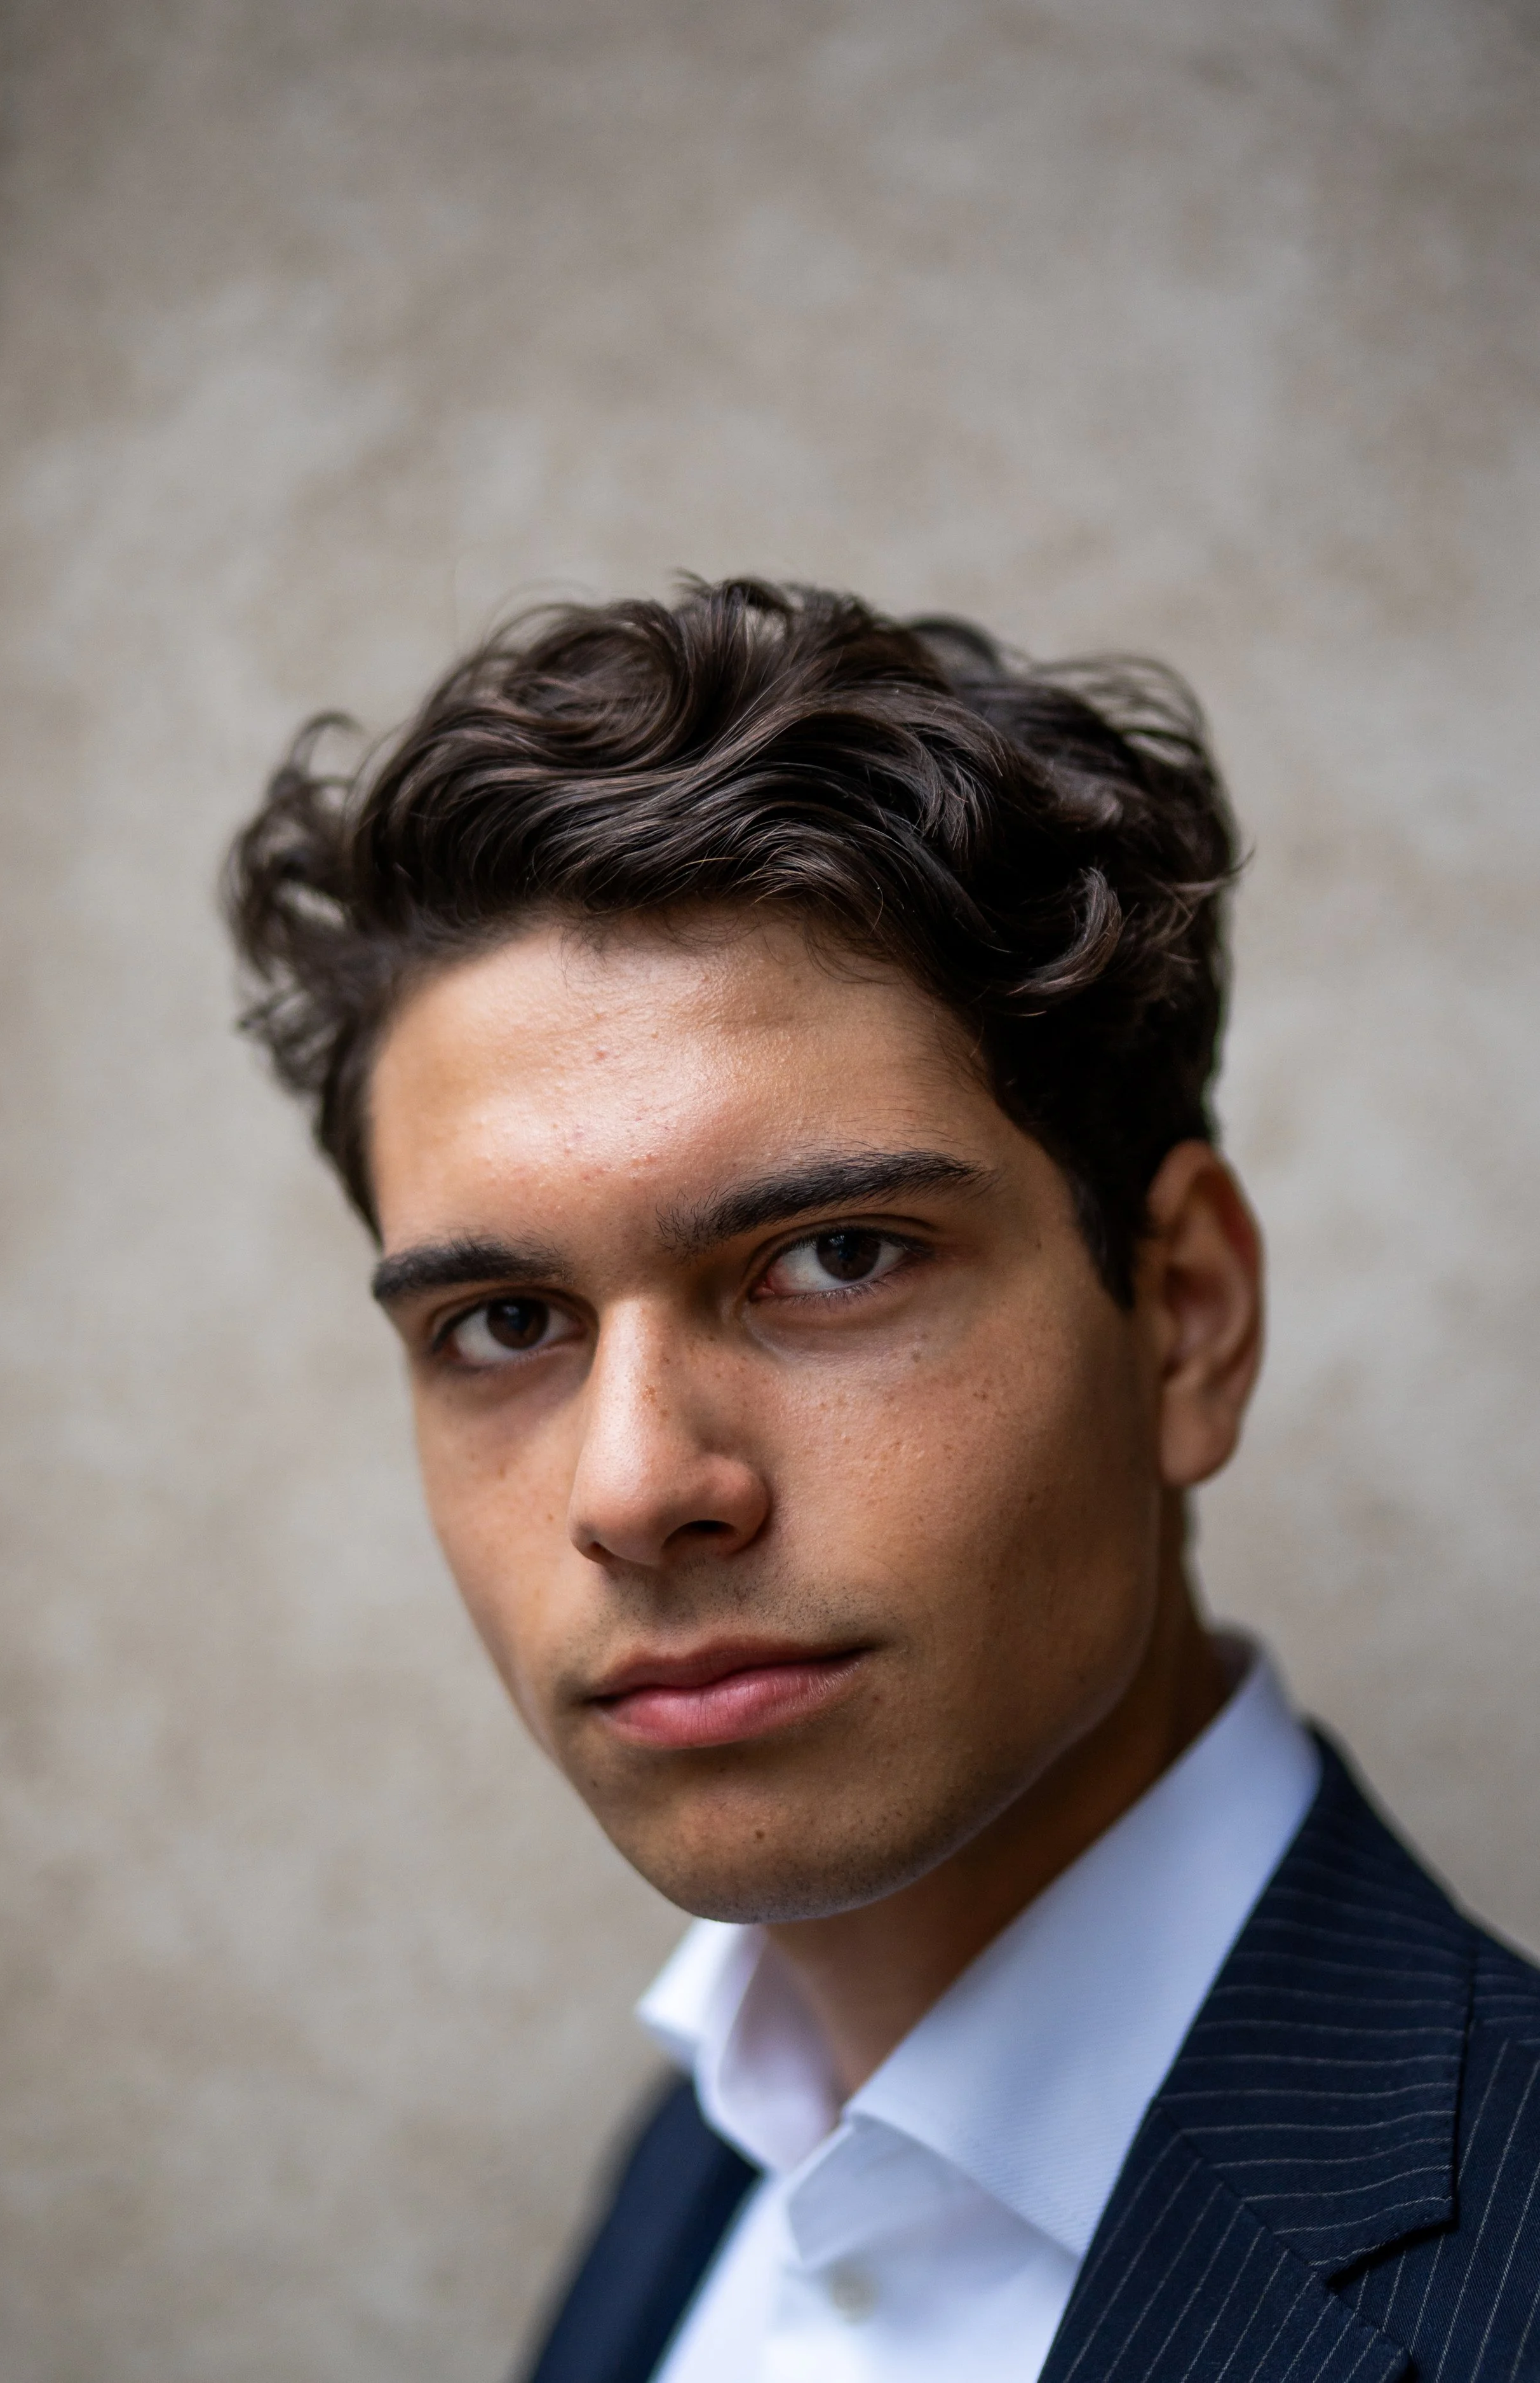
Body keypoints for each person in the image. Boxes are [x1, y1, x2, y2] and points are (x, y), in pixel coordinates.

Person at [224, 580, 1540, 2383]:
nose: (633, 1485)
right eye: (505, 1315)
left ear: (1185, 1321)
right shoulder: (708, 2143)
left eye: (834, 1258)